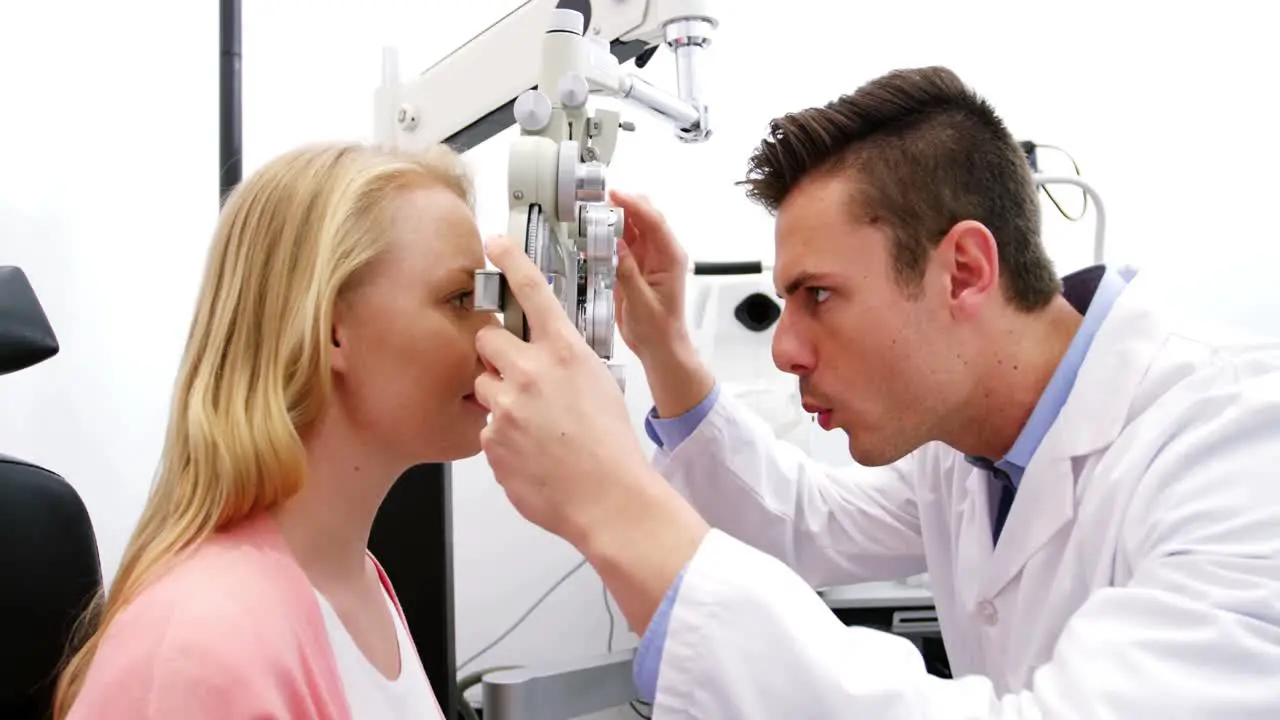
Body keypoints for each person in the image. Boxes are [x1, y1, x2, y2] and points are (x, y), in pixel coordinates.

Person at [472, 65, 1280, 718]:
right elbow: (805, 526)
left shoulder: (1236, 445)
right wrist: (666, 348)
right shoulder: (968, 450)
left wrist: (610, 500)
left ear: (963, 271)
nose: (785, 348)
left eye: (817, 294)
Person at [54, 141, 493, 719]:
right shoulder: (200, 645)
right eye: (461, 299)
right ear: (331, 328)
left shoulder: (360, 587)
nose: (494, 335)